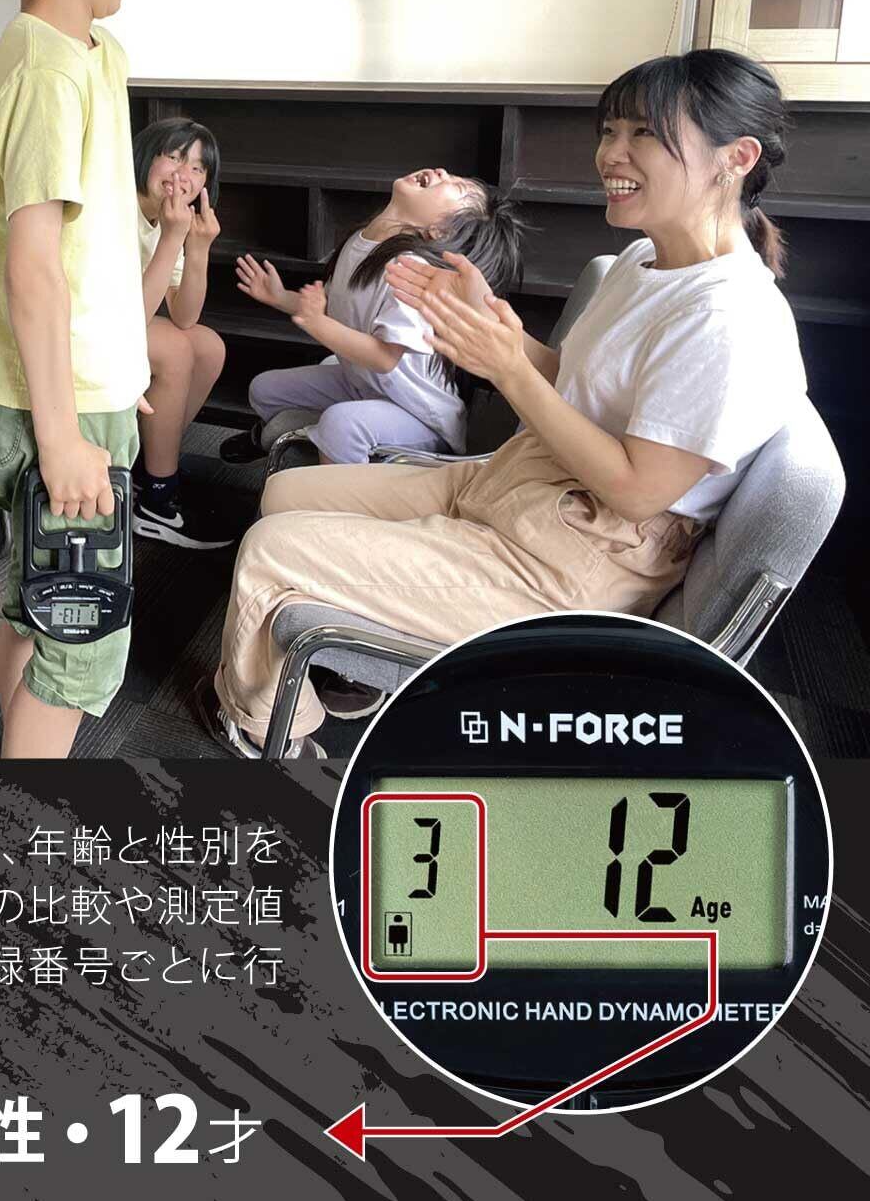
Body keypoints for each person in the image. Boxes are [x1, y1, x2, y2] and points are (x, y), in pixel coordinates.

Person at [191, 49, 805, 759]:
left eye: (644, 133)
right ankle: (350, 648)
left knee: (272, 552)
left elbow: (638, 491)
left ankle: (261, 725)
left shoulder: (729, 317)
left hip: (572, 558)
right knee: (285, 495)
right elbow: (584, 386)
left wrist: (509, 368)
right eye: (610, 130)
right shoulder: (645, 263)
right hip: (523, 484)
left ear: (736, 158)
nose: (611, 153)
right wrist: (502, 331)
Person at [0, 0, 161, 759]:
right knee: (82, 640)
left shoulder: (89, 53)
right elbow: (34, 269)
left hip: (68, 391)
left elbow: (90, 245)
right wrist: (62, 435)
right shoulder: (47, 69)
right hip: (60, 409)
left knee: (36, 603)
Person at [223, 168, 524, 465]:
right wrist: (279, 297)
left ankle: (337, 486)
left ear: (440, 231)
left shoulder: (412, 271)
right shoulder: (360, 241)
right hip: (363, 385)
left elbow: (384, 358)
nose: (443, 172)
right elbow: (330, 306)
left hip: (418, 416)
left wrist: (318, 325)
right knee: (264, 390)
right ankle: (276, 438)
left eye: (456, 186)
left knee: (341, 425)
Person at [130, 117, 232, 548]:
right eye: (172, 157)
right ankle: (156, 501)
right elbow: (130, 317)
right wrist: (173, 238)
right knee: (174, 349)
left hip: (120, 321)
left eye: (196, 167)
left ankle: (148, 468)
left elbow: (185, 315)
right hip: (77, 325)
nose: (182, 174)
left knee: (208, 347)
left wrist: (198, 247)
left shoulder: (167, 219)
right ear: (144, 158)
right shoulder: (118, 207)